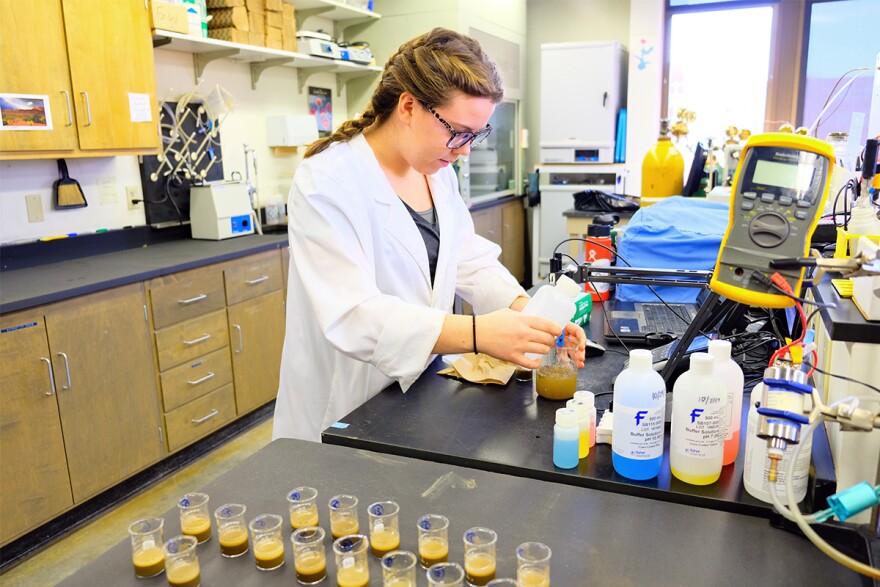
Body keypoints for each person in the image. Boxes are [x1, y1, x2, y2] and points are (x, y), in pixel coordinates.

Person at [273, 28, 587, 442]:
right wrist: (478, 335)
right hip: (344, 408)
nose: (464, 151)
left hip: (416, 397)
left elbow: (468, 259)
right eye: (457, 131)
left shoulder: (437, 175)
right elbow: (353, 315)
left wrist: (533, 316)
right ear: (408, 106)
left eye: (476, 135)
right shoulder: (327, 181)